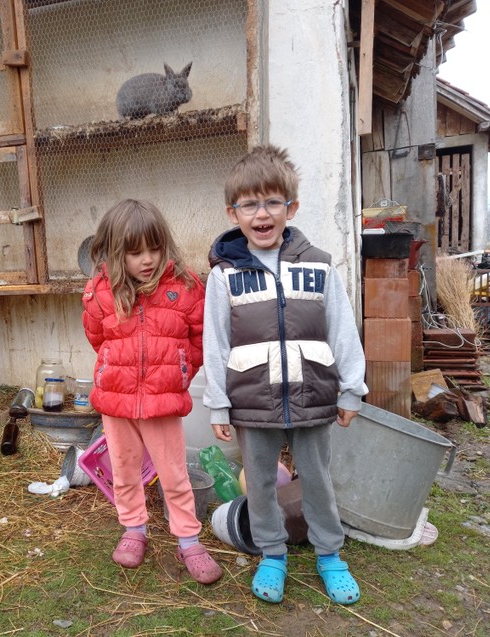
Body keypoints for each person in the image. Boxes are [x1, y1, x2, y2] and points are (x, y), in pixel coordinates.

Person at [202, 145, 368, 604]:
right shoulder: (225, 275)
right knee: (259, 483)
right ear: (233, 213)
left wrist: (351, 390)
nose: (262, 213)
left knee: (317, 478)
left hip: (313, 394)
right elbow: (215, 342)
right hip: (252, 400)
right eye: (249, 204)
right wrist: (218, 403)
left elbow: (342, 329)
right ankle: (272, 554)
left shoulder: (318, 265)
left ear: (290, 208)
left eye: (273, 202)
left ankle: (329, 554)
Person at [82, 198, 223, 585]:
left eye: (154, 248)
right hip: (117, 400)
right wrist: (117, 370)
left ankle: (188, 540)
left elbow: (198, 339)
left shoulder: (185, 287)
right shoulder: (100, 293)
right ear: (116, 253)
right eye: (135, 252)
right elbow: (97, 338)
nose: (147, 259)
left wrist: (178, 371)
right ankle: (134, 529)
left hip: (163, 402)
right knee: (125, 470)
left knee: (174, 474)